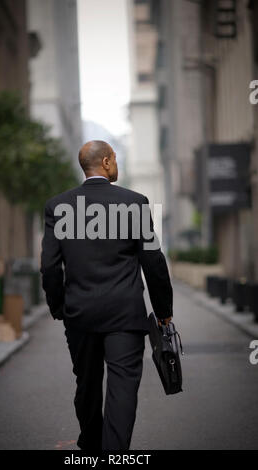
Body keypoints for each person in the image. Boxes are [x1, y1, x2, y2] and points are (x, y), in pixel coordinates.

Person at [40, 140, 173, 450]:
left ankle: (91, 442)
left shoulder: (58, 206)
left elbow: (49, 266)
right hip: (125, 315)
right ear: (107, 162)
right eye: (115, 159)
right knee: (123, 388)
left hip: (80, 314)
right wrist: (163, 310)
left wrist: (60, 306)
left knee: (86, 384)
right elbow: (153, 261)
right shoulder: (135, 202)